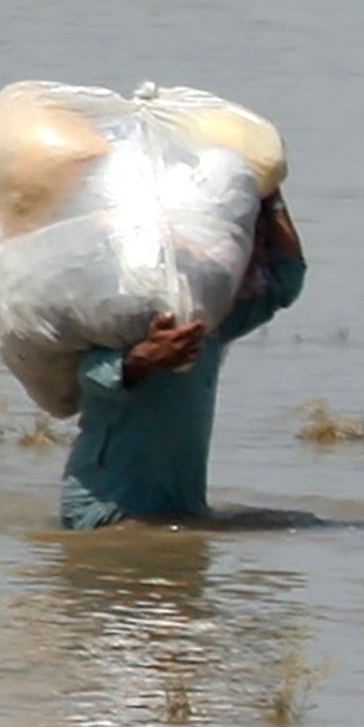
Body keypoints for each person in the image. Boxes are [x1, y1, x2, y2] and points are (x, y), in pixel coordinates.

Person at [59, 189, 302, 527]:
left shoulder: (210, 319)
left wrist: (270, 193)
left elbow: (285, 281)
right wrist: (142, 359)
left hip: (179, 507)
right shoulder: (126, 306)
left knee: (295, 525)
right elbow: (90, 374)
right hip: (107, 507)